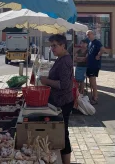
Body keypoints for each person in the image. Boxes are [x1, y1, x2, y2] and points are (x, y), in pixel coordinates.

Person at [40, 34, 73, 164]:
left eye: (54, 45)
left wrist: (46, 81)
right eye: (51, 46)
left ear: (63, 45)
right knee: (61, 132)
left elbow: (63, 85)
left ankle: (66, 162)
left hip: (63, 102)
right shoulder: (61, 58)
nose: (52, 48)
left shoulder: (64, 61)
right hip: (59, 101)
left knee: (63, 133)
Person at [86, 30, 106, 105]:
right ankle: (92, 96)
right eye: (87, 35)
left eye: (89, 34)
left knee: (93, 81)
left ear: (93, 34)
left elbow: (103, 49)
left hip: (94, 65)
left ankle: (95, 98)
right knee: (91, 81)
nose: (88, 36)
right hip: (89, 64)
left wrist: (98, 55)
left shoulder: (97, 42)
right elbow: (89, 52)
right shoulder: (90, 43)